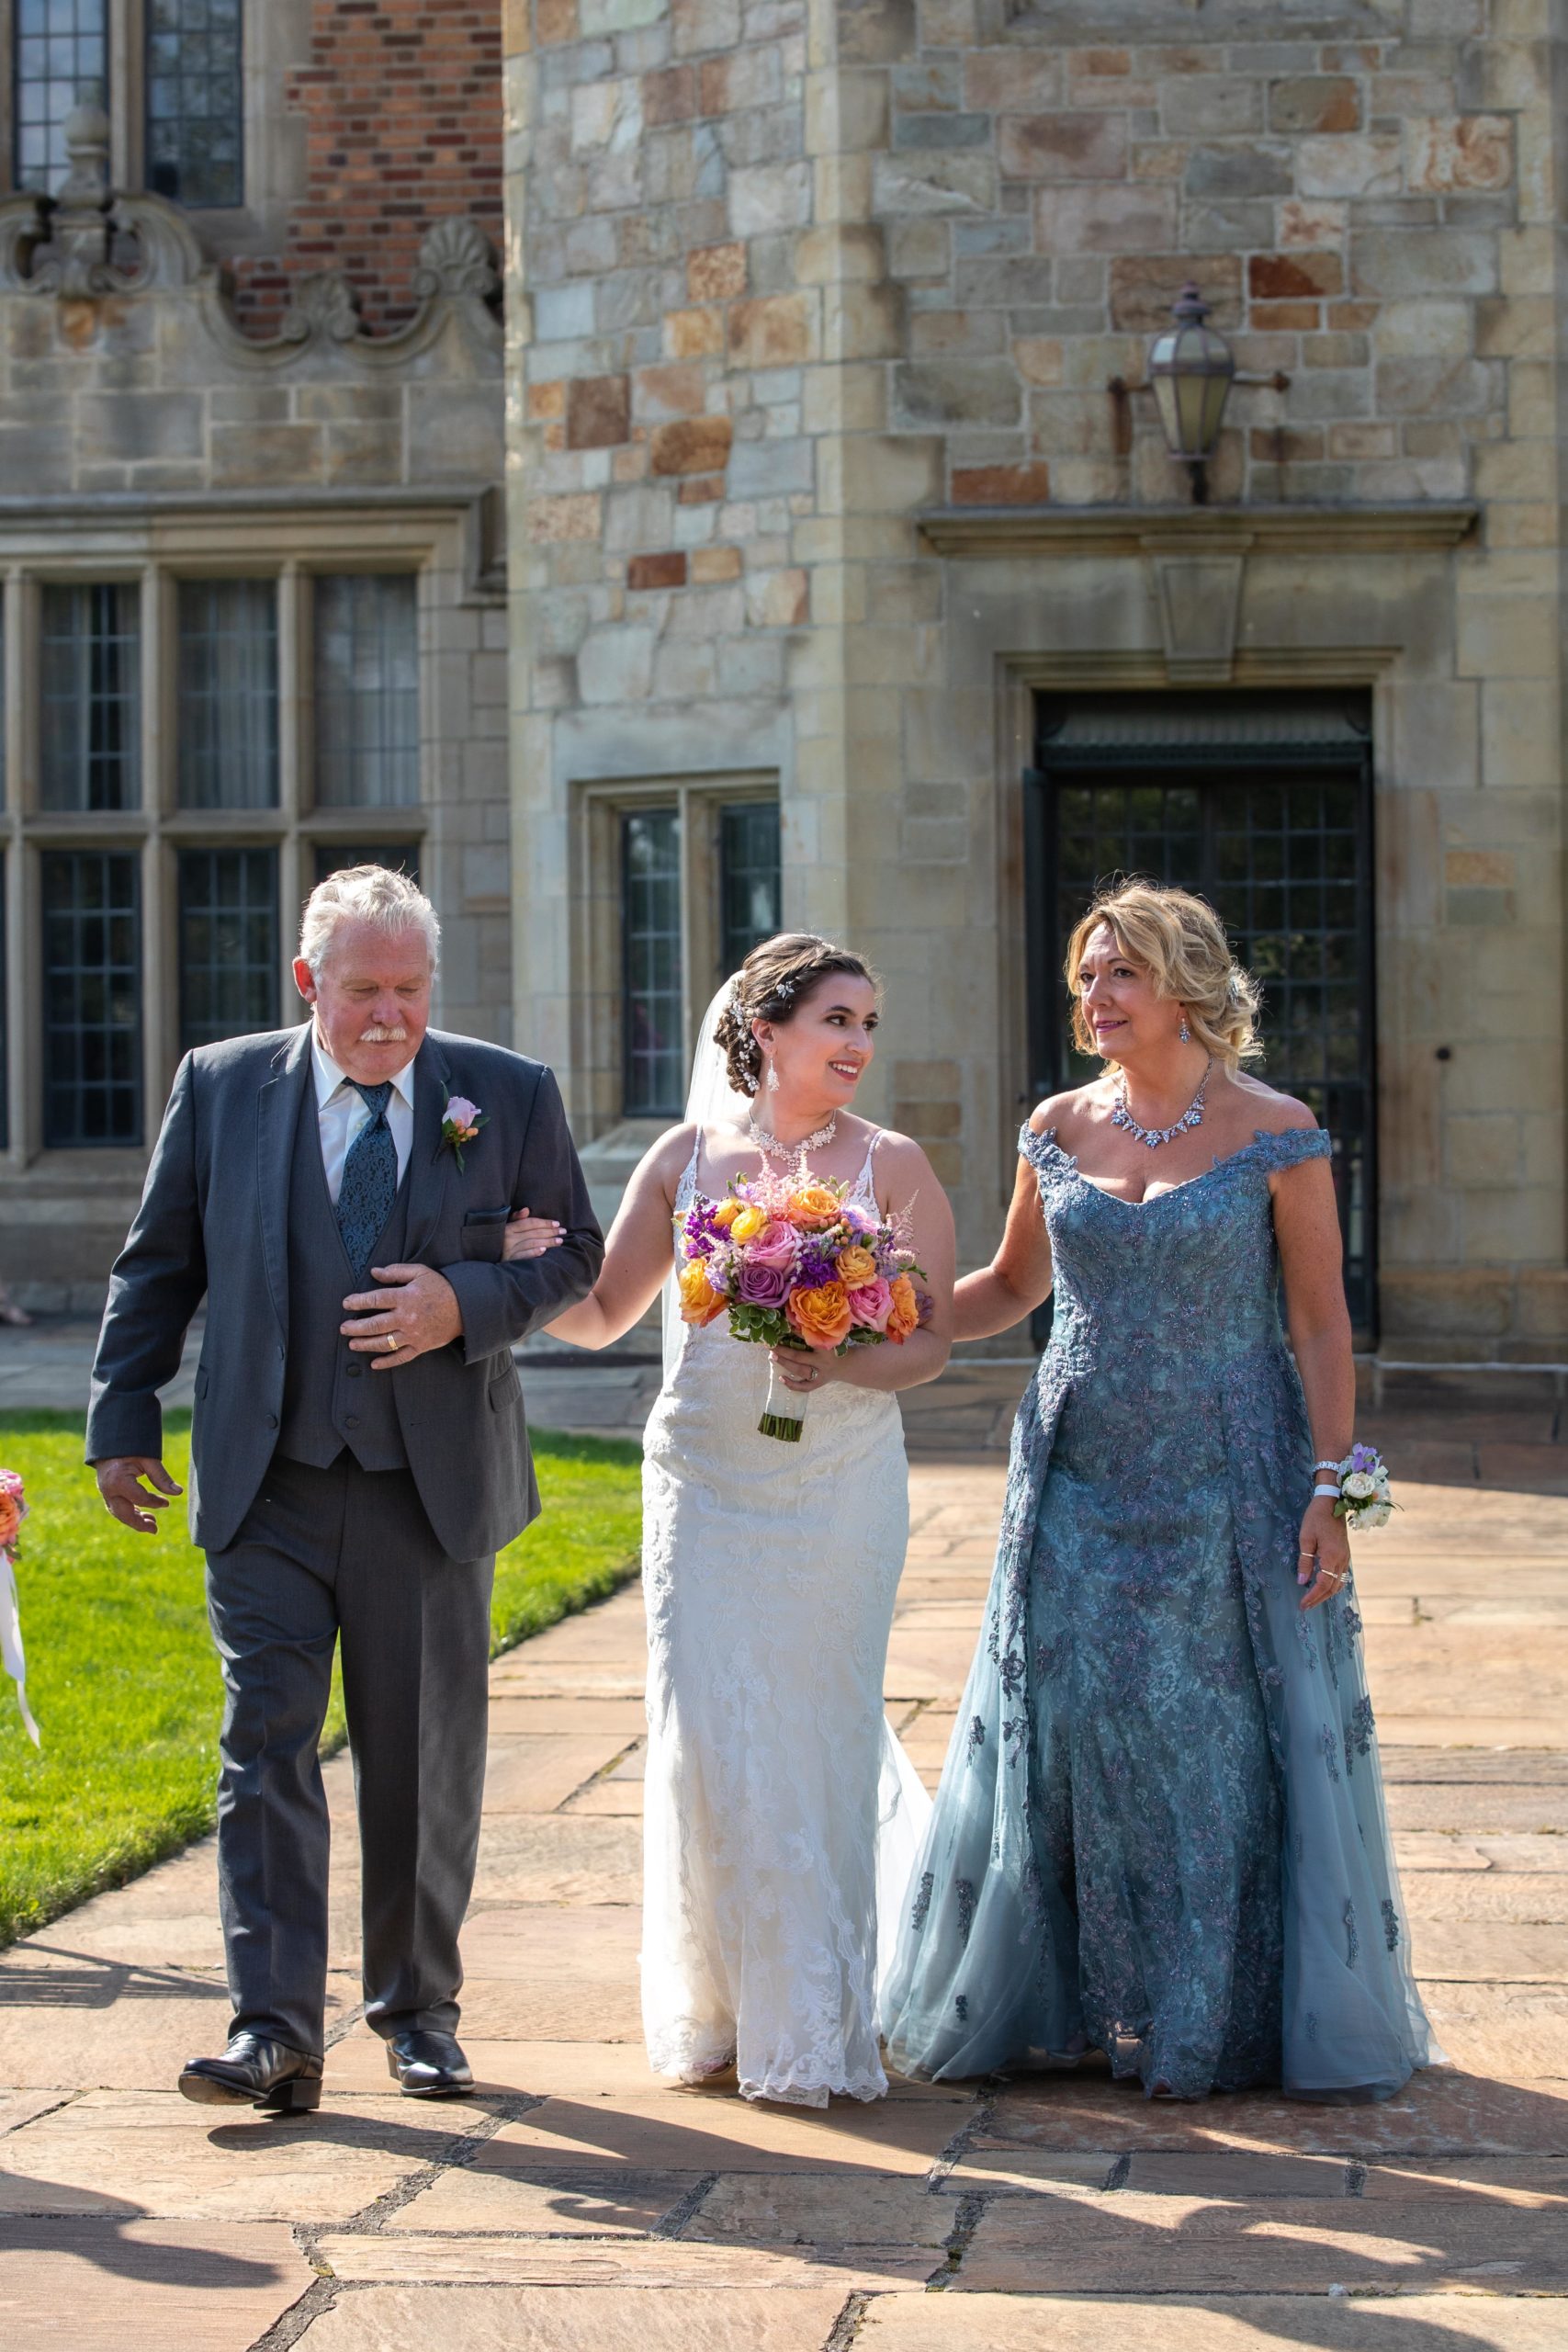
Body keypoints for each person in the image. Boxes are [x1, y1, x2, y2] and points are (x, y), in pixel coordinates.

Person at [881, 880, 1430, 2105]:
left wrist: (1331, 1491)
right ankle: (1072, 2005)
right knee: (1072, 1728)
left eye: (1115, 973)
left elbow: (1318, 1324)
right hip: (1072, 1463)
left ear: (1183, 984)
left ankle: (1208, 2018)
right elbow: (1006, 1288)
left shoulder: (1274, 1130)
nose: (1092, 997)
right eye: (1083, 976)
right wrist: (874, 1322)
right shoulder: (1055, 1126)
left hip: (1224, 1469)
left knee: (1201, 1738)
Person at [85, 866, 603, 2113]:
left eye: (409, 991)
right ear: (307, 983)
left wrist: (462, 1303)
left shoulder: (507, 1094)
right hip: (265, 1478)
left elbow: (573, 1252)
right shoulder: (220, 1089)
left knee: (418, 1760)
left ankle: (417, 2014)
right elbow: (159, 1264)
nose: (388, 1016)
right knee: (261, 1746)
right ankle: (270, 2029)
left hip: (425, 1489)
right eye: (363, 990)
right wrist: (120, 1412)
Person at [505, 933, 954, 2105]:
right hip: (702, 1486)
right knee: (707, 1735)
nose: (858, 1044)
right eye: (836, 1021)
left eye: (868, 1024)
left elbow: (933, 1343)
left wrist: (842, 1348)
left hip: (837, 1492)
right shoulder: (686, 1154)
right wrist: (514, 1276)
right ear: (766, 1031)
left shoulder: (893, 1165)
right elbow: (606, 1311)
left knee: (819, 1726)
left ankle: (812, 2014)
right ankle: (713, 2006)